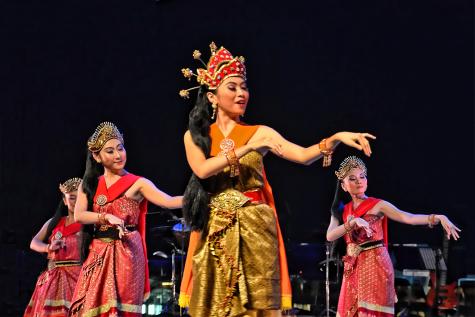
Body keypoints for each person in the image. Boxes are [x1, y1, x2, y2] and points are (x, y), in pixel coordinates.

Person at [178, 42, 376, 317]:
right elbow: (202, 170)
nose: (241, 94)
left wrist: (336, 138)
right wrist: (246, 148)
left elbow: (303, 156)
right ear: (212, 97)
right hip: (215, 230)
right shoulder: (195, 137)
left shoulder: (262, 132)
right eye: (232, 87)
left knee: (257, 307)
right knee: (216, 306)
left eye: (244, 87)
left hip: (256, 228)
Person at [69, 122, 183, 317]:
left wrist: (201, 196)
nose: (118, 155)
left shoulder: (138, 183)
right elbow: (79, 215)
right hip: (99, 252)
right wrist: (107, 217)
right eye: (110, 151)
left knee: (123, 308)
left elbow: (169, 201)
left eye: (120, 149)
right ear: (97, 156)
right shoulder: (89, 184)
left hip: (127, 252)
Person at [326, 156, 461, 316]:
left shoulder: (378, 205)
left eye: (363, 176)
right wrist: (352, 223)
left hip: (375, 264)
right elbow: (330, 236)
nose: (359, 181)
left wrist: (437, 217)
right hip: (353, 267)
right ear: (343, 185)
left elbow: (408, 218)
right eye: (353, 178)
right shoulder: (341, 210)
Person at [24, 177, 83, 317]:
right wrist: (48, 247)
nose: (76, 202)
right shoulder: (54, 222)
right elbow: (34, 242)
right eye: (72, 198)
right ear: (64, 200)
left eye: (80, 197)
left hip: (78, 278)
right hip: (52, 278)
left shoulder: (90, 225)